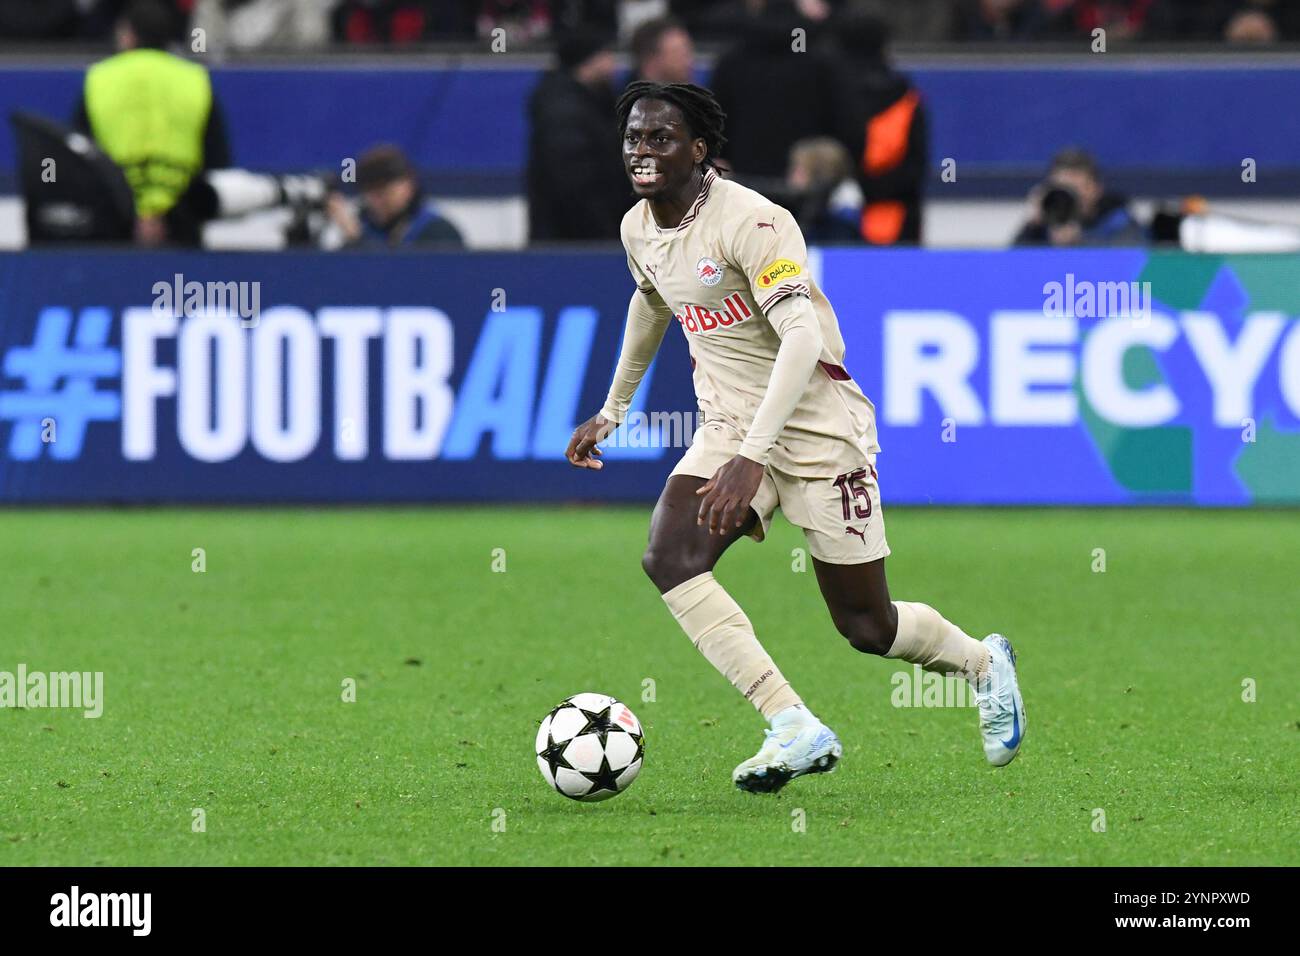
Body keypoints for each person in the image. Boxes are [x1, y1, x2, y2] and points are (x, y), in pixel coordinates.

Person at [566, 82, 1026, 793]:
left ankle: (983, 664)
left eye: (659, 138)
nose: (642, 151)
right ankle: (792, 724)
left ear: (697, 150)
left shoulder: (755, 222)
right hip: (729, 426)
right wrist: (613, 408)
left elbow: (803, 334)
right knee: (670, 555)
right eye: (633, 138)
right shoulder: (638, 228)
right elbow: (652, 298)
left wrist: (754, 460)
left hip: (816, 431)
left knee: (866, 626)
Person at [72, 0, 231, 245]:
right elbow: (218, 163)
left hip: (115, 229)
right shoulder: (196, 80)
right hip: (183, 227)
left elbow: (79, 159)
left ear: (129, 36)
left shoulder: (99, 79)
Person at [526, 27, 630, 241]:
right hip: (571, 240)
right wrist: (605, 231)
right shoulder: (564, 112)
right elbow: (574, 185)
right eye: (606, 55)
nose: (613, 64)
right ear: (590, 61)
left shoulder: (595, 103)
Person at [836, 14, 927, 245]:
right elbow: (916, 169)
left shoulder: (830, 98)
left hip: (836, 220)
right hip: (897, 221)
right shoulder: (908, 100)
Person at [324, 145, 463, 248]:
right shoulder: (369, 228)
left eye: (384, 191)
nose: (377, 200)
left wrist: (357, 240)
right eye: (370, 193)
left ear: (408, 185)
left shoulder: (436, 231)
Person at [1013, 147, 1144, 247]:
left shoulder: (1118, 220)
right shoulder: (1041, 226)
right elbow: (1010, 270)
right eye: (1062, 189)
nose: (1069, 196)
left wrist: (1079, 242)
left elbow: (1128, 265)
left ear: (1096, 189)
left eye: (1076, 188)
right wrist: (1032, 227)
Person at [785, 137, 862, 243]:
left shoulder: (842, 216)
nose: (791, 176)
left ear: (819, 176)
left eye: (799, 170)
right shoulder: (798, 208)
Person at [628, 16, 696, 85]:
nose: (689, 62)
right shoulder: (623, 94)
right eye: (678, 54)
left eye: (687, 53)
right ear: (650, 63)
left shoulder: (698, 93)